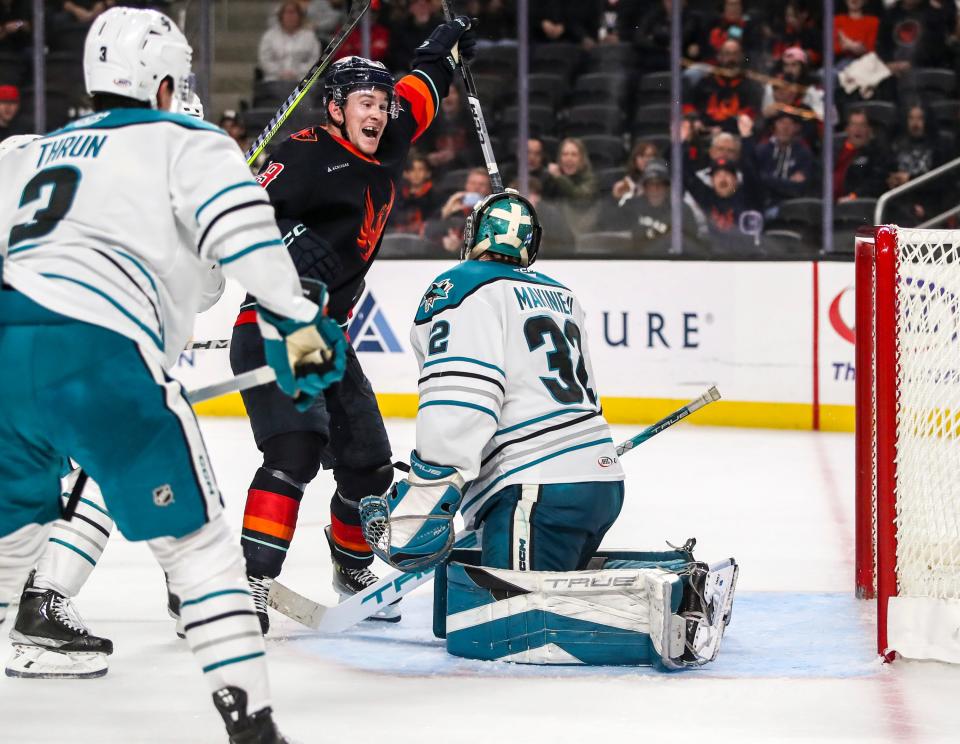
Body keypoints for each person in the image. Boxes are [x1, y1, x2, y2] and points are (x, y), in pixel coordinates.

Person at [0, 8, 348, 742]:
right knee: (201, 553)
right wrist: (305, 336)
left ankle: (34, 609)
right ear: (162, 81)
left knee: (7, 551)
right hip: (99, 356)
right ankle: (252, 728)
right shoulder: (189, 141)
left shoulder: (30, 150)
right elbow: (253, 249)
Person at [357, 190, 738, 668]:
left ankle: (674, 597)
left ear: (475, 235)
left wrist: (426, 494)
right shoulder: (559, 293)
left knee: (505, 626)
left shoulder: (461, 288)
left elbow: (462, 397)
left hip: (536, 490)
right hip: (594, 480)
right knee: (500, 596)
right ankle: (672, 575)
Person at [231, 18, 477, 634]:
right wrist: (285, 245)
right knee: (294, 450)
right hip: (277, 321)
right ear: (336, 109)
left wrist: (444, 47)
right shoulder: (302, 155)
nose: (378, 113)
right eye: (365, 103)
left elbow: (419, 88)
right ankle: (250, 586)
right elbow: (233, 228)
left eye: (381, 103)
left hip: (325, 337)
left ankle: (350, 566)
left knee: (366, 460)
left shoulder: (388, 137)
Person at [615, 159, 701, 255]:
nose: (655, 189)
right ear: (644, 187)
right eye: (650, 184)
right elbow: (612, 236)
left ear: (667, 187)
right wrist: (614, 198)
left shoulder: (682, 211)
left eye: (659, 184)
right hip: (636, 262)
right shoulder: (631, 207)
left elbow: (693, 246)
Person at [684, 38, 762, 134]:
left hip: (737, 135)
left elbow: (751, 116)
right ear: (719, 56)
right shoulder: (706, 82)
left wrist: (724, 129)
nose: (731, 59)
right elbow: (691, 108)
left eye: (735, 54)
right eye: (727, 54)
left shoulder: (750, 85)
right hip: (705, 134)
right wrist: (696, 121)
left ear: (741, 56)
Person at [753, 109, 815, 214]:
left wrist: (767, 179)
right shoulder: (760, 151)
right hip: (762, 205)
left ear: (796, 128)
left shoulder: (803, 153)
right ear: (774, 126)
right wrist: (786, 183)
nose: (785, 128)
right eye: (781, 122)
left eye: (790, 124)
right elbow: (755, 183)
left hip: (793, 207)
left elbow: (798, 189)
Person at [542, 136, 598, 236]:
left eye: (574, 154)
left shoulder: (590, 178)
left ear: (582, 159)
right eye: (565, 154)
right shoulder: (553, 178)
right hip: (554, 234)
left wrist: (559, 177)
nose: (569, 158)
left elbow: (579, 196)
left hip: (580, 233)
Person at [834, 108, 889, 202]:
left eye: (862, 125)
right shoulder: (833, 151)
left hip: (855, 204)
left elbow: (874, 182)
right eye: (854, 124)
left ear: (869, 130)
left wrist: (854, 196)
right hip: (828, 203)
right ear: (847, 129)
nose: (858, 129)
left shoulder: (875, 154)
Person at [258, 0, 321, 83]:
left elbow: (315, 60)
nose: (290, 16)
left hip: (303, 81)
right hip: (274, 80)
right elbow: (264, 60)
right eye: (287, 13)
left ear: (300, 16)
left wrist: (296, 72)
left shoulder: (309, 36)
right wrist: (280, 72)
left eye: (294, 13)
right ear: (281, 16)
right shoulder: (269, 36)